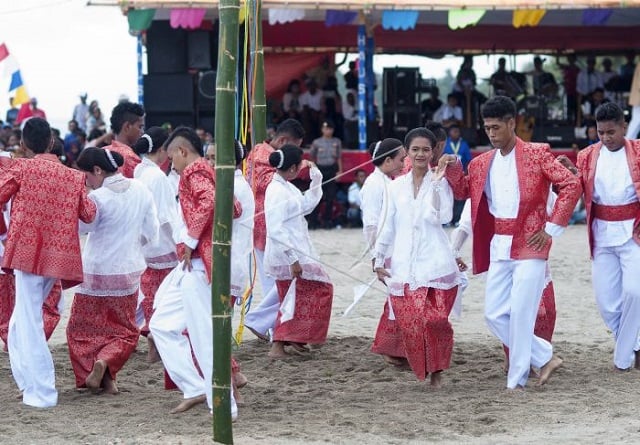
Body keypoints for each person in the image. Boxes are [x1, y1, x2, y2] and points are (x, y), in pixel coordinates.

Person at [443, 96, 581, 389]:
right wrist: (453, 166)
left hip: (532, 243)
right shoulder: (481, 163)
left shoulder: (538, 153)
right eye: (487, 128)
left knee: (520, 312)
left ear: (511, 123)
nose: (491, 133)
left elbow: (571, 184)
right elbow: (464, 192)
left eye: (496, 127)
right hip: (499, 245)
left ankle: (515, 382)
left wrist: (552, 228)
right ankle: (544, 357)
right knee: (493, 314)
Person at [0, 118, 97, 407]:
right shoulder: (73, 176)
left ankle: (42, 391)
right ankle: (28, 382)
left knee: (27, 320)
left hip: (26, 253)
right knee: (21, 321)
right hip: (59, 255)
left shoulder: (21, 168)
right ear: (52, 142)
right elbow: (89, 214)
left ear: (24, 145)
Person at [150, 127, 242, 417]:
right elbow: (233, 207)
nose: (170, 166)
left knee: (204, 336)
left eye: (171, 160)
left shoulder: (194, 172)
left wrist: (190, 240)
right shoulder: (207, 170)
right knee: (161, 325)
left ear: (182, 152)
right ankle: (195, 387)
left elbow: (213, 202)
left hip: (200, 263)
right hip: (194, 263)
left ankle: (224, 404)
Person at [67, 147, 159, 394]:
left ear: (97, 170)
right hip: (127, 271)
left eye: (86, 175)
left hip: (96, 271)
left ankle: (95, 369)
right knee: (125, 330)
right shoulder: (140, 189)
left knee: (81, 330)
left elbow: (81, 228)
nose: (86, 181)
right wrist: (134, 248)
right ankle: (108, 372)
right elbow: (152, 230)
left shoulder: (98, 198)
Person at [374, 128, 461, 386]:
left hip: (435, 262)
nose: (421, 154)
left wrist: (435, 183)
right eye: (415, 149)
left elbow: (443, 217)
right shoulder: (395, 186)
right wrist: (379, 259)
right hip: (403, 265)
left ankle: (438, 370)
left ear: (433, 151)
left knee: (435, 320)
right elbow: (386, 224)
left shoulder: (441, 182)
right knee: (413, 322)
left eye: (426, 149)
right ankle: (426, 367)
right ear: (407, 152)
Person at [576, 102, 640, 371]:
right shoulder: (586, 156)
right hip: (601, 235)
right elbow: (575, 188)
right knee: (606, 304)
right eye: (600, 132)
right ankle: (635, 345)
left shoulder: (638, 152)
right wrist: (569, 174)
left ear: (624, 127)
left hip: (634, 233)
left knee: (635, 293)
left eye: (611, 132)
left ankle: (624, 358)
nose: (605, 138)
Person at [263, 144, 333, 358]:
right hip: (287, 253)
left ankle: (295, 338)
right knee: (314, 291)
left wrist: (316, 178)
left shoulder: (287, 187)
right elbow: (275, 229)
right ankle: (282, 342)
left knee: (297, 296)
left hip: (296, 249)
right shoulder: (276, 190)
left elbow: (307, 205)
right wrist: (293, 259)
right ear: (293, 168)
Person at [244, 119, 305, 341]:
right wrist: (295, 165)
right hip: (266, 225)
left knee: (276, 279)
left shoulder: (264, 153)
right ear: (282, 141)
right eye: (293, 148)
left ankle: (272, 329)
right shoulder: (263, 153)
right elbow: (265, 180)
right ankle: (262, 323)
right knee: (279, 280)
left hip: (267, 224)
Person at [132, 127, 179, 362]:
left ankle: (150, 331)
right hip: (162, 245)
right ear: (162, 149)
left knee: (151, 294)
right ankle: (156, 336)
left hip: (144, 245)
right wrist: (181, 244)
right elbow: (166, 218)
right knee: (166, 295)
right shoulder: (158, 177)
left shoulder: (139, 171)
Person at [360, 138, 407, 365]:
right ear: (387, 160)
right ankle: (391, 348)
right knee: (398, 299)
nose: (403, 163)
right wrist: (375, 257)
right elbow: (370, 224)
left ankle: (396, 348)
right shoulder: (374, 184)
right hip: (385, 250)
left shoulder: (387, 181)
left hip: (395, 248)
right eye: (401, 159)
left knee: (399, 298)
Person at [309, 120, 343, 229]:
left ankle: (327, 221)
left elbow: (339, 158)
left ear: (332, 130)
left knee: (330, 196)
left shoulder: (336, 141)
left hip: (331, 170)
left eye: (329, 128)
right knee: (317, 195)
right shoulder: (316, 142)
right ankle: (313, 221)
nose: (327, 131)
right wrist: (313, 170)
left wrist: (340, 171)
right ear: (322, 130)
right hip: (320, 169)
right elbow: (312, 158)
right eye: (325, 128)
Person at [102, 101, 144, 178]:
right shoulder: (131, 159)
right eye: (140, 127)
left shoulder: (102, 152)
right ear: (127, 126)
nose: (142, 132)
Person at [443, 124, 472, 226]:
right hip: (447, 176)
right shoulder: (445, 144)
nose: (455, 133)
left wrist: (467, 172)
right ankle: (447, 220)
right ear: (449, 132)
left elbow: (468, 160)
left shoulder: (464, 144)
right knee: (448, 197)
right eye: (453, 131)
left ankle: (457, 219)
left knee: (459, 198)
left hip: (461, 174)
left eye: (457, 131)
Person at [557, 54, 581, 124]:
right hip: (568, 91)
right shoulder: (566, 68)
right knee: (568, 109)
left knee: (576, 109)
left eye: (572, 58)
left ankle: (576, 123)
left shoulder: (577, 69)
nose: (570, 60)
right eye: (569, 58)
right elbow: (558, 64)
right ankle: (569, 123)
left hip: (576, 92)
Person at [625, 61, 640, 139]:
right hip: (638, 98)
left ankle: (629, 141)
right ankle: (628, 141)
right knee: (637, 120)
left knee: (636, 120)